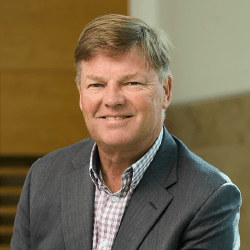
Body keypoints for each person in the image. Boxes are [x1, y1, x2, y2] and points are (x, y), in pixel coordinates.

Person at [11, 14, 241, 250]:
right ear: (81, 95)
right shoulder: (42, 177)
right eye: (97, 85)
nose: (112, 100)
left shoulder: (210, 196)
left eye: (132, 83)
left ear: (166, 91)